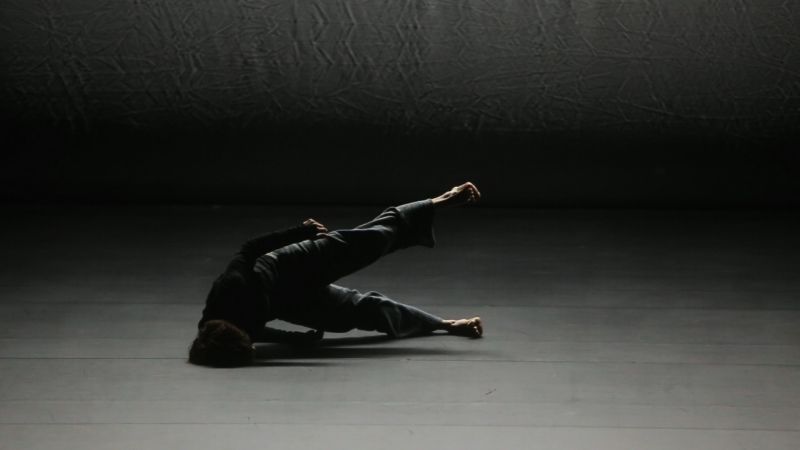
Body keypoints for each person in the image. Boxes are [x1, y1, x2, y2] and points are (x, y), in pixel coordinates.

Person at [189, 182, 484, 367]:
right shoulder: (226, 335)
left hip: (287, 266)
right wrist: (295, 339)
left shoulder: (231, 288)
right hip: (286, 301)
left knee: (369, 241)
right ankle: (445, 324)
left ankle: (438, 201)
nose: (254, 346)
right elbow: (258, 331)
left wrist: (299, 232)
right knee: (359, 312)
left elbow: (248, 250)